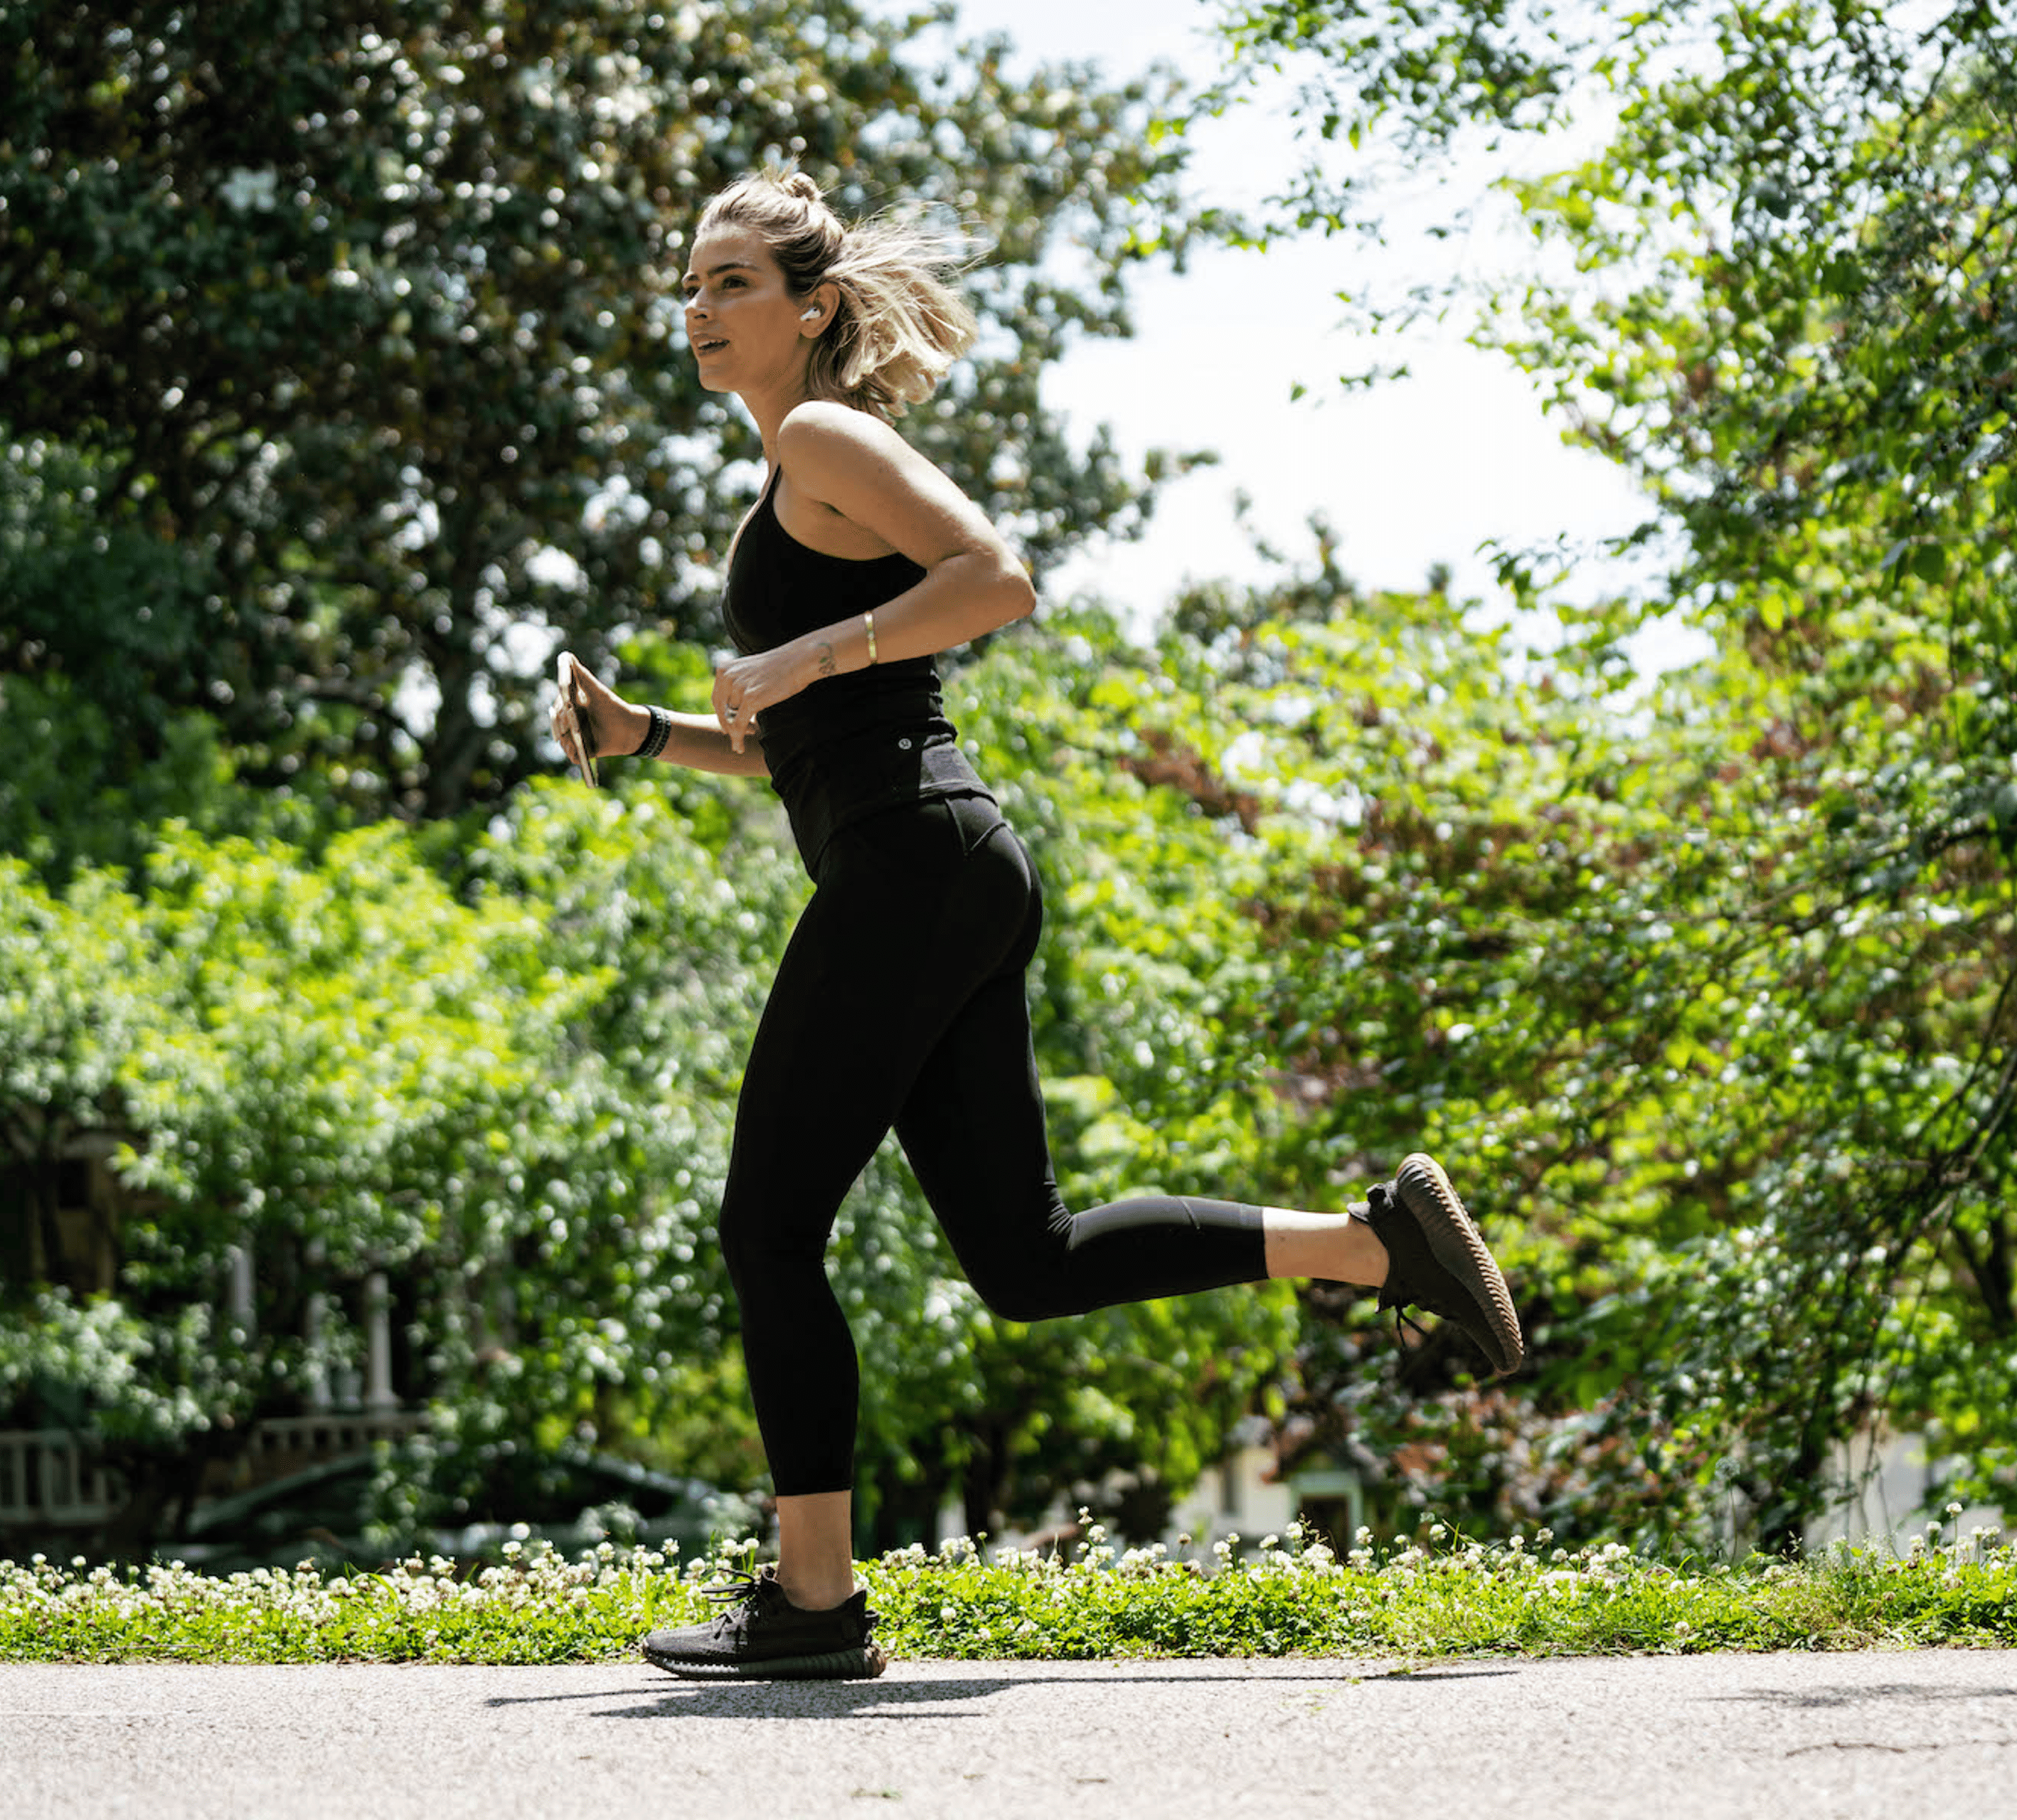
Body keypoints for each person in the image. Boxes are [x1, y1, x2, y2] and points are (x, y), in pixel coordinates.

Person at [551, 169, 1523, 1681]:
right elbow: (805, 736)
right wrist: (652, 732)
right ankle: (1371, 1242)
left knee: (768, 1223)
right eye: (691, 282)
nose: (699, 307)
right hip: (934, 860)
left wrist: (808, 649)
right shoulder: (791, 473)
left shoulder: (823, 433)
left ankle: (813, 1604)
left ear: (812, 309)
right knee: (1023, 1256)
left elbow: (997, 579)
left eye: (731, 280)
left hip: (914, 864)